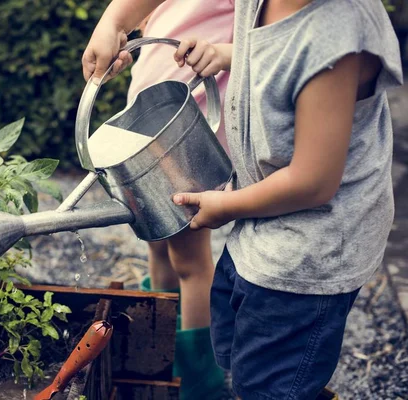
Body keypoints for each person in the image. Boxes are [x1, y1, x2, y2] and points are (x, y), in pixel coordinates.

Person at [82, 0, 402, 398]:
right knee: (247, 357)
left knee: (269, 381)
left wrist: (226, 206)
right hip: (265, 227)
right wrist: (118, 21)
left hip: (312, 253)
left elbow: (314, 182)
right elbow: (272, 54)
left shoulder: (333, 41)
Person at [125, 2, 234, 399]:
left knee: (189, 258)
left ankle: (197, 373)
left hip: (187, 127)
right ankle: (162, 343)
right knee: (155, 240)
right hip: (145, 119)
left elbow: (266, 42)